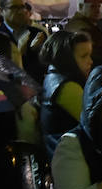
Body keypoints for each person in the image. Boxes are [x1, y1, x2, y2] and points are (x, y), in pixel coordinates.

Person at [38, 29, 93, 158]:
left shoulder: (53, 78)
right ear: (66, 58)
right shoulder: (66, 86)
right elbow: (94, 122)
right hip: (69, 159)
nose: (90, 61)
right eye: (84, 56)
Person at [0, 0, 48, 64]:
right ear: (1, 11)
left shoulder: (37, 34)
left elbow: (45, 66)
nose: (20, 12)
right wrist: (20, 53)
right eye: (14, 7)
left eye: (22, 7)